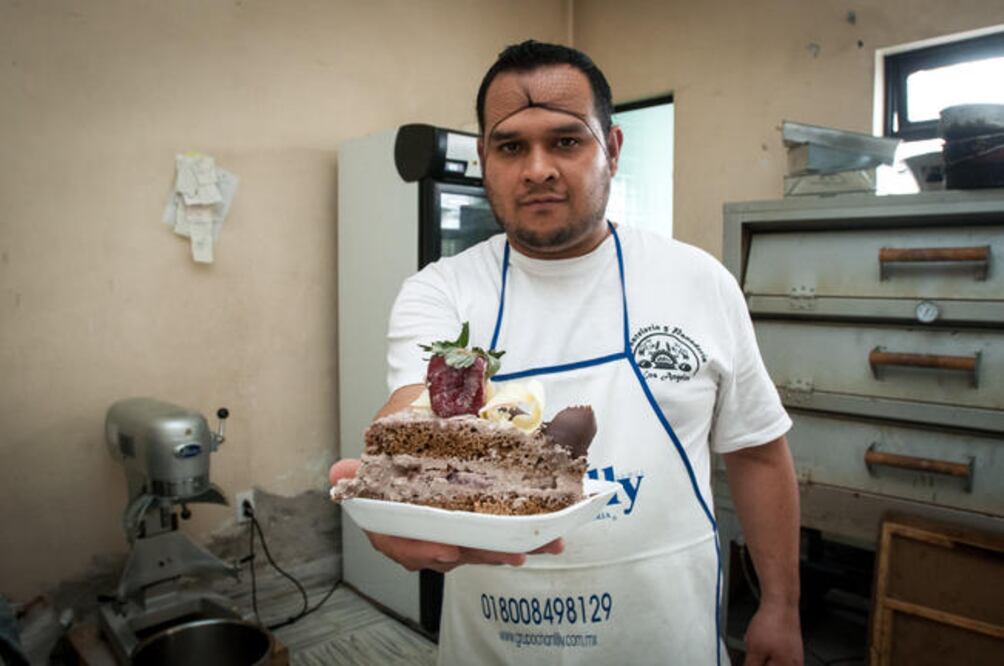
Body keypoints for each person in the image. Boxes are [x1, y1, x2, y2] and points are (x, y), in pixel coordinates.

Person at [330, 40, 803, 665]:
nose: (537, 169)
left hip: (667, 641)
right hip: (497, 646)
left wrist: (779, 608)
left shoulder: (697, 281)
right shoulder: (441, 291)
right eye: (511, 146)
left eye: (566, 141)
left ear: (611, 148)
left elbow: (758, 452)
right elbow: (415, 406)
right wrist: (391, 489)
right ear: (484, 160)